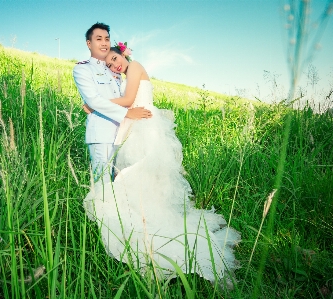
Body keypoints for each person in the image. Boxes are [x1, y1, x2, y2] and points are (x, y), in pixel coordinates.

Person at [83, 45, 241, 287]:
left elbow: (127, 100)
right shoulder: (126, 74)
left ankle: (151, 227)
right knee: (140, 181)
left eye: (115, 58)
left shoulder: (134, 66)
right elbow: (127, 106)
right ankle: (145, 219)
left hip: (147, 128)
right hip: (137, 125)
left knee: (136, 175)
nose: (115, 65)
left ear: (123, 54)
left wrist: (94, 105)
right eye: (110, 65)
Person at [73, 23, 152, 183]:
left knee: (122, 182)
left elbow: (127, 98)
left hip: (123, 133)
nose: (104, 43)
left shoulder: (116, 69)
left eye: (107, 39)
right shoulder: (83, 69)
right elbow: (94, 100)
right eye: (98, 39)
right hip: (102, 133)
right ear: (89, 43)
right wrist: (126, 113)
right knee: (103, 183)